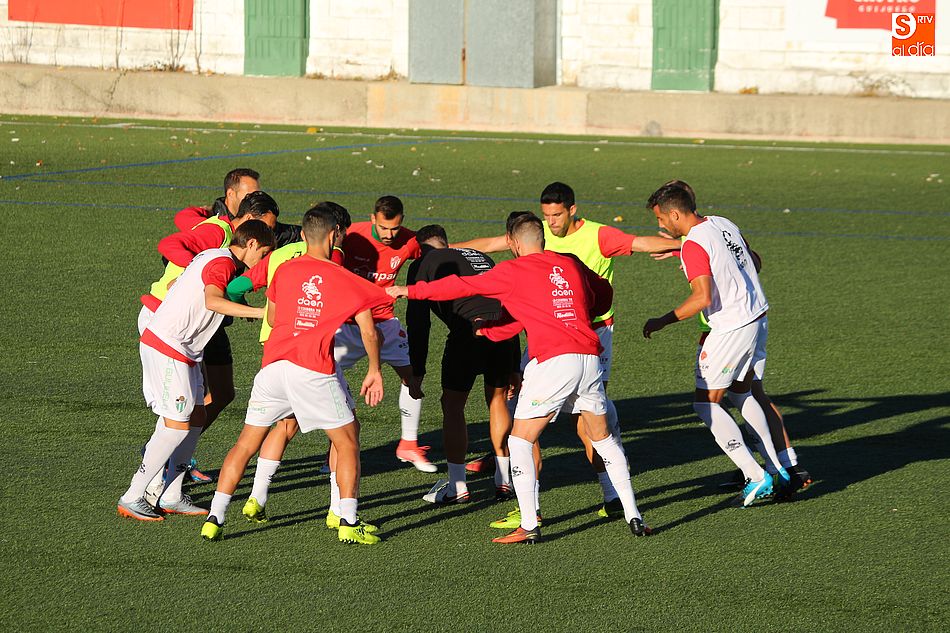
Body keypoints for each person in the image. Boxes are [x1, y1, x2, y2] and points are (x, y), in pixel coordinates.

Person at [389, 213, 651, 543]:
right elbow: (603, 295)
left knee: (520, 440)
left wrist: (407, 290)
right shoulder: (568, 261)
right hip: (589, 357)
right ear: (541, 238)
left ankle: (529, 523)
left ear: (512, 243)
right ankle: (633, 514)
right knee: (602, 438)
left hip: (553, 361)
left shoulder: (513, 270)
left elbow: (462, 285)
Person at [455, 182, 679, 520]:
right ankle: (529, 494)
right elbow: (489, 244)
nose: (551, 221)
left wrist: (684, 245)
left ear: (572, 210)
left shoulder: (597, 236)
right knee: (525, 409)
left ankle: (601, 495)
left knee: (584, 421)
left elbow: (641, 243)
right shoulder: (537, 235)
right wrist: (443, 252)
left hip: (592, 333)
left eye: (557, 214)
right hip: (548, 333)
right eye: (546, 215)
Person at [200, 205, 391, 545]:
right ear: (336, 236)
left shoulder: (284, 270)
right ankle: (347, 520)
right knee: (346, 441)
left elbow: (272, 316)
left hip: (272, 368)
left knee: (246, 443)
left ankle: (215, 517)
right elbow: (370, 331)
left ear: (303, 235)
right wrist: (375, 369)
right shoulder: (345, 277)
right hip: (312, 370)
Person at [655, 180, 812, 498]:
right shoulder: (723, 223)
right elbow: (755, 262)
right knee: (743, 393)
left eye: (660, 219)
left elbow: (702, 297)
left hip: (731, 328)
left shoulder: (693, 245)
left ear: (674, 214)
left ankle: (755, 477)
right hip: (757, 318)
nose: (659, 225)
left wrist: (661, 321)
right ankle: (777, 468)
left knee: (705, 405)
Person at [117, 220, 275, 521]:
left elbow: (185, 287)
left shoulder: (213, 257)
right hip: (169, 347)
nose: (262, 260)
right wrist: (260, 312)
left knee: (197, 414)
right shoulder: (224, 263)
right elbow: (212, 300)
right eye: (264, 252)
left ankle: (172, 494)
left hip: (183, 349)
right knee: (176, 423)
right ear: (252, 243)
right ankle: (134, 495)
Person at [138, 189, 280, 489]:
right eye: (267, 229)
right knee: (177, 418)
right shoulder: (220, 239)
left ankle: (172, 484)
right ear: (251, 229)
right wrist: (257, 312)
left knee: (209, 402)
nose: (271, 234)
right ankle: (145, 481)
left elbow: (185, 220)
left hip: (196, 334)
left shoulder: (228, 254)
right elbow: (171, 245)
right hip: (172, 331)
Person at [404, 225, 521, 503]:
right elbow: (507, 304)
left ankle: (458, 486)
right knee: (497, 402)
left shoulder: (422, 263)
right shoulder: (478, 256)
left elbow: (418, 323)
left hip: (467, 333)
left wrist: (416, 371)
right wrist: (515, 364)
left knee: (453, 405)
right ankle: (504, 480)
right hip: (504, 333)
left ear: (421, 249)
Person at [336, 195, 433, 472]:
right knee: (323, 380)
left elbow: (444, 250)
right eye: (384, 228)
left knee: (412, 378)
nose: (390, 235)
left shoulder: (410, 241)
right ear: (372, 219)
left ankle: (408, 444)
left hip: (384, 323)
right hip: (347, 325)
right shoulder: (352, 235)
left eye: (395, 228)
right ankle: (335, 452)